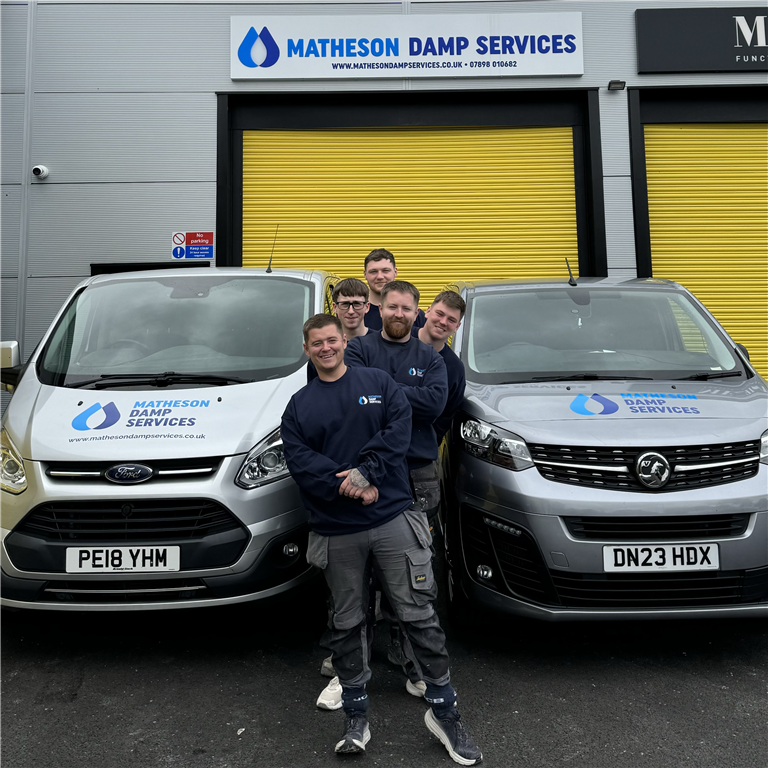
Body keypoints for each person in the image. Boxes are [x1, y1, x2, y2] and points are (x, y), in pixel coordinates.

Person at [281, 314, 482, 765]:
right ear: (307, 349)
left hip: (391, 516)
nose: (326, 348)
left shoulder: (377, 382)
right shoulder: (298, 405)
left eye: (332, 339)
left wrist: (367, 472)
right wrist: (348, 484)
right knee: (347, 624)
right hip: (336, 529)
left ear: (341, 341)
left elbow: (398, 431)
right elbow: (300, 461)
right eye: (317, 343)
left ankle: (445, 713)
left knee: (418, 615)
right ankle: (356, 717)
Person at [415, 290, 467, 444]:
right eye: (439, 314)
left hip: (420, 455)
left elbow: (446, 416)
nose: (443, 322)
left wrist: (427, 442)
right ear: (428, 312)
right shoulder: (399, 341)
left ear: (457, 326)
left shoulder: (455, 369)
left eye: (451, 320)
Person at [307, 278, 370, 383]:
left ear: (367, 307)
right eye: (345, 304)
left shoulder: (382, 345)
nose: (351, 311)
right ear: (334, 307)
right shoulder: (322, 353)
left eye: (357, 304)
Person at [363, 248, 426, 331]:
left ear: (395, 272)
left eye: (385, 271)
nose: (380, 277)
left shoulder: (415, 315)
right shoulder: (357, 313)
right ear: (365, 274)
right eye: (373, 271)